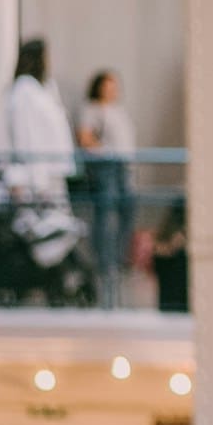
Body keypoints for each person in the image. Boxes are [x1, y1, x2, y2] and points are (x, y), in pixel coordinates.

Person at [0, 38, 76, 202]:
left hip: (51, 171)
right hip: (35, 175)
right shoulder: (24, 89)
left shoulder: (44, 88)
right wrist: (37, 179)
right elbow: (26, 135)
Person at [77, 69, 137, 303]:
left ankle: (119, 258)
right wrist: (103, 152)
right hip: (106, 167)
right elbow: (85, 138)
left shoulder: (119, 111)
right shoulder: (92, 110)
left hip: (124, 168)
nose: (113, 90)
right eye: (108, 85)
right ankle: (106, 263)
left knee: (128, 210)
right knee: (106, 215)